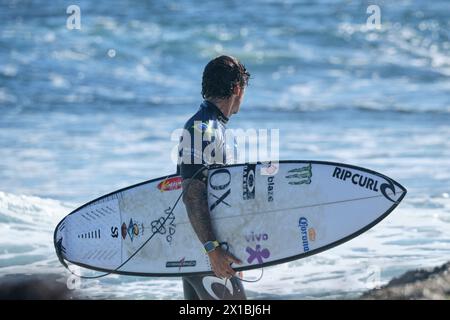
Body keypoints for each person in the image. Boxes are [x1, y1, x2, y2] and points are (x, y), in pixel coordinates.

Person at [177, 55, 250, 300]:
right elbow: (192, 193)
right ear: (238, 89)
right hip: (205, 252)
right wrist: (213, 250)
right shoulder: (203, 128)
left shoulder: (211, 126)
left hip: (198, 250)